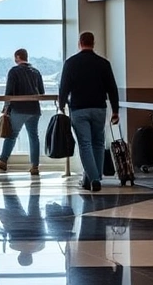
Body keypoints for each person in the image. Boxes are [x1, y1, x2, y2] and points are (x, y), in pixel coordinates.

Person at [57, 32, 120, 192]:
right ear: (94, 43)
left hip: (79, 109)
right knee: (98, 143)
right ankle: (93, 178)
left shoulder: (71, 63)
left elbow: (64, 87)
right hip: (100, 108)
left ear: (79, 43)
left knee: (85, 144)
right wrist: (115, 110)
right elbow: (112, 88)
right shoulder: (103, 63)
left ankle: (93, 179)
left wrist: (61, 106)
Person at [0, 48, 46, 176]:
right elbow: (41, 92)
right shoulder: (36, 72)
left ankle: (3, 161)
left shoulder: (14, 71)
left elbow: (9, 92)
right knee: (33, 137)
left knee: (12, 135)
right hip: (34, 109)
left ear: (17, 57)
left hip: (19, 109)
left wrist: (6, 109)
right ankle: (35, 166)